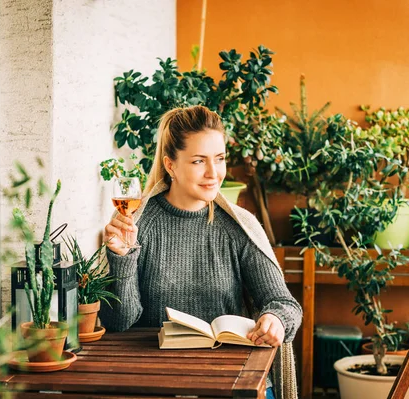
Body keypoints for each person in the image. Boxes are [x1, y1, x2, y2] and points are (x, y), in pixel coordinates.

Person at [99, 105, 302, 399]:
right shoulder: (139, 223)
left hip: (232, 380)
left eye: (219, 159)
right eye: (198, 161)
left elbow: (285, 304)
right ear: (171, 165)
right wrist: (121, 258)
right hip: (157, 383)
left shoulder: (238, 227)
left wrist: (276, 320)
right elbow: (118, 324)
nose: (213, 173)